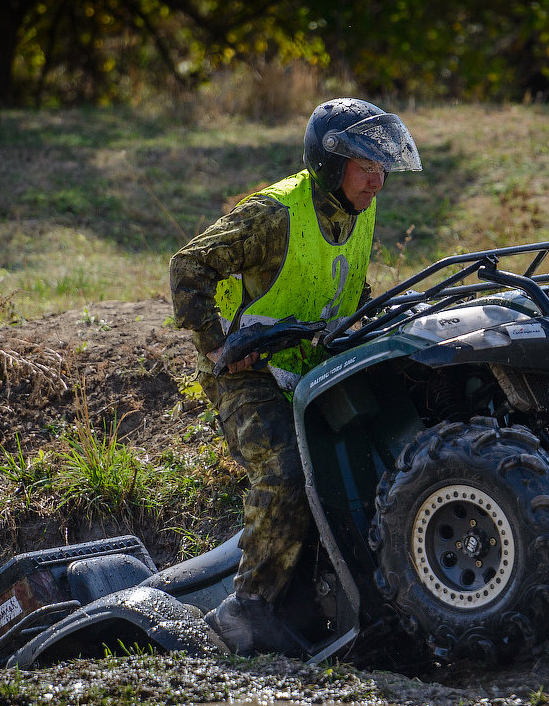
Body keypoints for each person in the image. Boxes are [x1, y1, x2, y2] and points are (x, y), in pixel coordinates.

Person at [168, 98, 421, 655]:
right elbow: (188, 266)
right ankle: (246, 611)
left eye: (383, 168)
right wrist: (217, 346)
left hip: (317, 369)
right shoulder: (274, 213)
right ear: (331, 164)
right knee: (287, 471)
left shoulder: (359, 207)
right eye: (366, 167)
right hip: (250, 377)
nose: (377, 181)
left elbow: (349, 288)